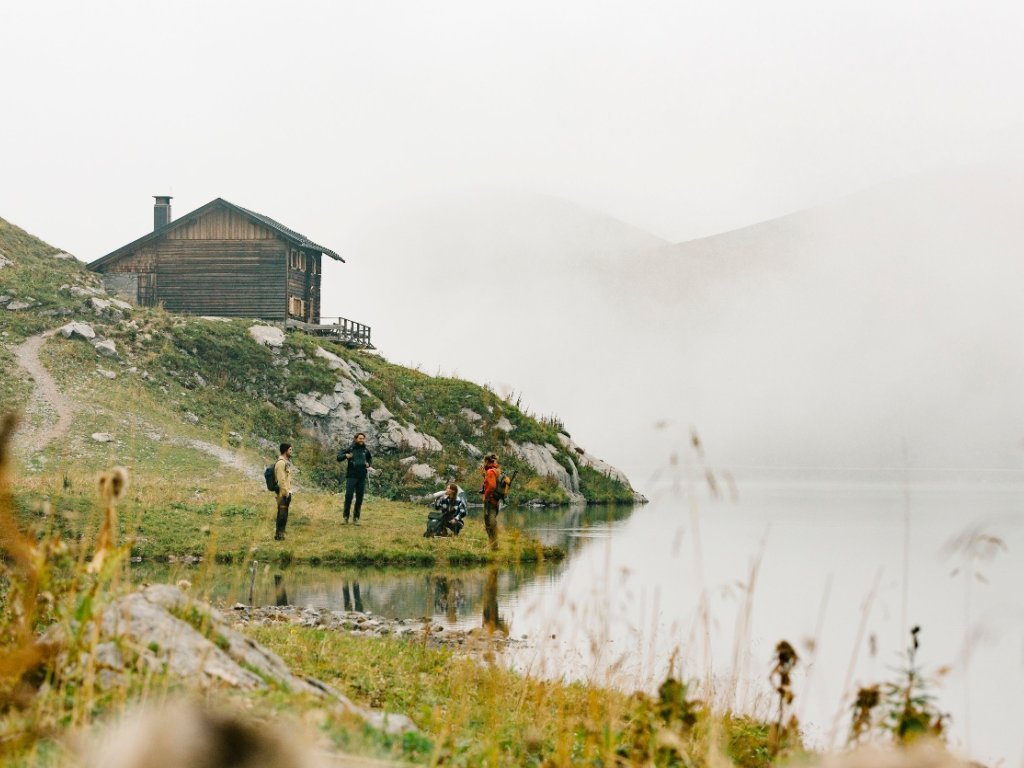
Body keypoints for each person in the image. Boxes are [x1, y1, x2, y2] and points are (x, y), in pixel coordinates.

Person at [337, 432, 372, 524]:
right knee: (348, 497)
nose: (362, 440)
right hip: (351, 477)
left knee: (359, 498)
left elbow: (369, 459)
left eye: (363, 438)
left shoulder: (365, 450)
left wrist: (369, 464)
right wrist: (345, 455)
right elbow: (338, 457)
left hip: (362, 477)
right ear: (356, 439)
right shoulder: (350, 448)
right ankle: (345, 518)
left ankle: (356, 518)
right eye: (360, 438)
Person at [273, 443, 293, 541]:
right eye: (290, 450)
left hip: (284, 492)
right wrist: (286, 493)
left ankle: (279, 534)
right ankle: (279, 534)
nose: (291, 451)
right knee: (282, 514)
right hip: (282, 494)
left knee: (283, 513)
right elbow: (281, 480)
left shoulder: (285, 462)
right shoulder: (281, 463)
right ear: (285, 451)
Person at [481, 453, 501, 549]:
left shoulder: (490, 472)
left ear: (487, 461)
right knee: (492, 522)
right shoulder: (496, 470)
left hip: (490, 500)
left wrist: (486, 495)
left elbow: (492, 486)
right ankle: (494, 544)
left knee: (489, 522)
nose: (483, 463)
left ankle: (493, 544)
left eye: (484, 461)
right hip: (496, 500)